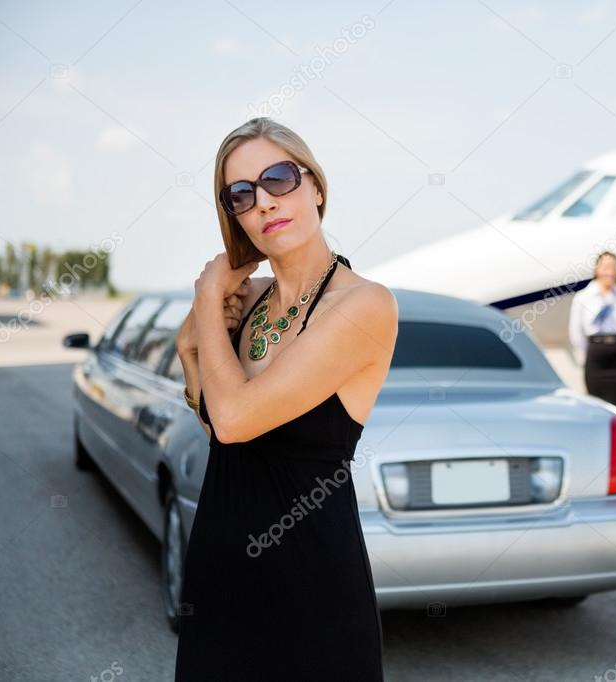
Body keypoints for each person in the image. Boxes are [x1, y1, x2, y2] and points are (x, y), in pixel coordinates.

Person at [173, 117, 397, 681]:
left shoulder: (363, 305)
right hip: (220, 573)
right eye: (242, 194)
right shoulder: (252, 305)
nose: (266, 202)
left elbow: (234, 419)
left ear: (315, 186)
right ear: (236, 216)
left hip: (310, 589)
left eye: (279, 178)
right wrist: (188, 352)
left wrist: (206, 298)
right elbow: (225, 439)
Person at [568, 251, 616, 409]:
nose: (609, 272)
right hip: (595, 354)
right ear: (596, 269)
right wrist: (591, 350)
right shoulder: (583, 298)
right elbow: (575, 332)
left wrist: (615, 345)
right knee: (595, 404)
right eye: (605, 267)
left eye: (613, 267)